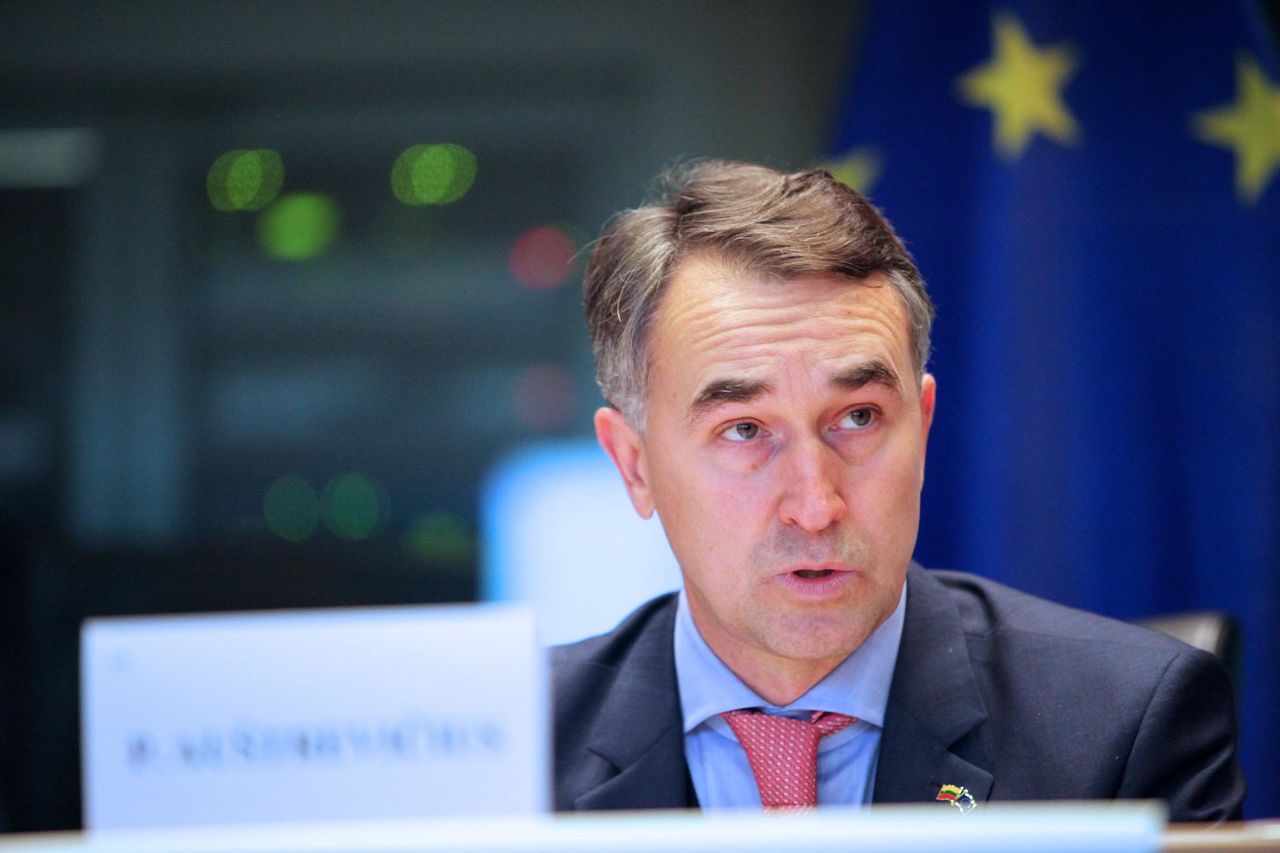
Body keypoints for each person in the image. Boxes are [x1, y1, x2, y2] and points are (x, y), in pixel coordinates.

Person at [552, 160, 1245, 820]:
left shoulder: (1127, 725)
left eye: (859, 417)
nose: (816, 507)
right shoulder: (516, 758)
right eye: (744, 430)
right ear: (634, 463)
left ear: (923, 424)